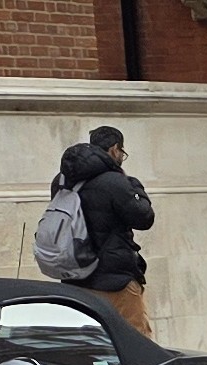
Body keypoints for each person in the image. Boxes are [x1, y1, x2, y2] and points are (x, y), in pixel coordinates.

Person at [51, 125, 155, 337]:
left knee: (93, 345)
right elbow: (145, 218)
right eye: (122, 153)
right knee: (138, 343)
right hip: (115, 281)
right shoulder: (116, 182)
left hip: (76, 280)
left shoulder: (61, 181)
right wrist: (136, 189)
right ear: (115, 149)